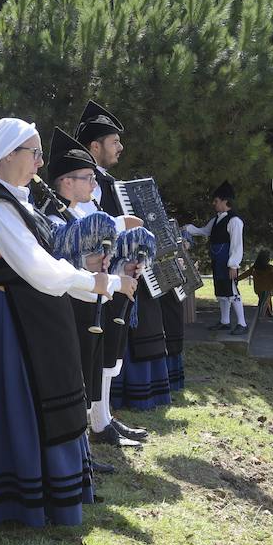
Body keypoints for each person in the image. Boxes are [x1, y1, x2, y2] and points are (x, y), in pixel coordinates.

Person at [0, 118, 136, 527]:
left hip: (38, 315)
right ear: (8, 155)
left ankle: (57, 490)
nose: (41, 163)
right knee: (25, 403)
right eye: (35, 153)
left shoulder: (18, 202)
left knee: (55, 397)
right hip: (13, 321)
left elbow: (52, 263)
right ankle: (22, 500)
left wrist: (92, 274)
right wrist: (101, 281)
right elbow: (37, 269)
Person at [44, 127, 141, 470]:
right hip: (71, 309)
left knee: (88, 379)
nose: (93, 184)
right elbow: (60, 268)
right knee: (76, 385)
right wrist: (110, 277)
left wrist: (121, 267)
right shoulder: (56, 219)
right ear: (66, 183)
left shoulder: (78, 214)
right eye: (87, 178)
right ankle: (79, 453)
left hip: (90, 306)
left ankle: (85, 448)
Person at [74, 101, 159, 428]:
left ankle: (102, 418)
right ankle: (93, 423)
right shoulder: (80, 183)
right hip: (88, 286)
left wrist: (129, 263)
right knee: (92, 355)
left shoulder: (107, 184)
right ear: (94, 147)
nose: (121, 147)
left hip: (114, 283)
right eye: (114, 142)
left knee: (108, 352)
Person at [185, 181, 247, 334]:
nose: (214, 204)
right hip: (218, 262)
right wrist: (187, 229)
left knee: (232, 291)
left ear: (225, 201)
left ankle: (242, 324)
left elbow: (237, 244)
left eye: (216, 201)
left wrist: (233, 264)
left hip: (227, 263)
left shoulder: (235, 221)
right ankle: (225, 321)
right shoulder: (216, 219)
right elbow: (204, 231)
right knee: (221, 292)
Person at [238, 250, 273, 318]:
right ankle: (261, 318)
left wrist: (237, 279)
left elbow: (245, 274)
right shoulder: (270, 268)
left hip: (259, 290)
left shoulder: (255, 268)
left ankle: (267, 316)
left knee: (264, 303)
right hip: (267, 289)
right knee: (263, 305)